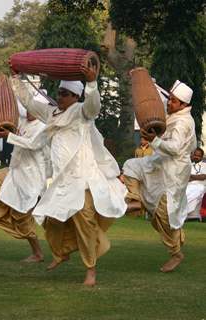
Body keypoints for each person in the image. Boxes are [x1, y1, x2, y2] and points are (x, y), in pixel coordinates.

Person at [11, 64, 127, 286]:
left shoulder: (82, 112)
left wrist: (92, 83)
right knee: (49, 220)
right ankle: (61, 252)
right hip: (61, 183)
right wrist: (16, 78)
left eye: (65, 94)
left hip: (83, 181)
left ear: (76, 96)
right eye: (60, 93)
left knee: (85, 225)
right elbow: (29, 102)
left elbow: (94, 107)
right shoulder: (52, 113)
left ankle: (90, 270)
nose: (60, 96)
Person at [123, 80, 196, 273]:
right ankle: (135, 199)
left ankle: (176, 253)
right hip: (158, 163)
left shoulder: (183, 123)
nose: (169, 103)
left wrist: (154, 140)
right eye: (170, 99)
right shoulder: (175, 114)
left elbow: (173, 149)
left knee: (163, 215)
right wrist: (147, 83)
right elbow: (160, 96)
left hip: (173, 172)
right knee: (131, 166)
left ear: (184, 105)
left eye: (173, 101)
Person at [0, 108, 50, 262]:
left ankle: (38, 253)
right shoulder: (23, 123)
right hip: (14, 171)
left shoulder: (43, 126)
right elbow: (13, 112)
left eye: (33, 107)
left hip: (31, 179)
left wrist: (10, 136)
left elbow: (32, 144)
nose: (30, 111)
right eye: (28, 107)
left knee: (21, 218)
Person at [186, 147, 206, 220]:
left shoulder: (204, 165)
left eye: (198, 156)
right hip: (188, 185)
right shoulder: (188, 165)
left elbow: (203, 176)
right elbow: (185, 178)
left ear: (201, 157)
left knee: (195, 191)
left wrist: (191, 176)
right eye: (195, 155)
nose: (196, 157)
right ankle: (186, 214)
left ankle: (184, 213)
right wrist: (196, 176)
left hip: (200, 185)